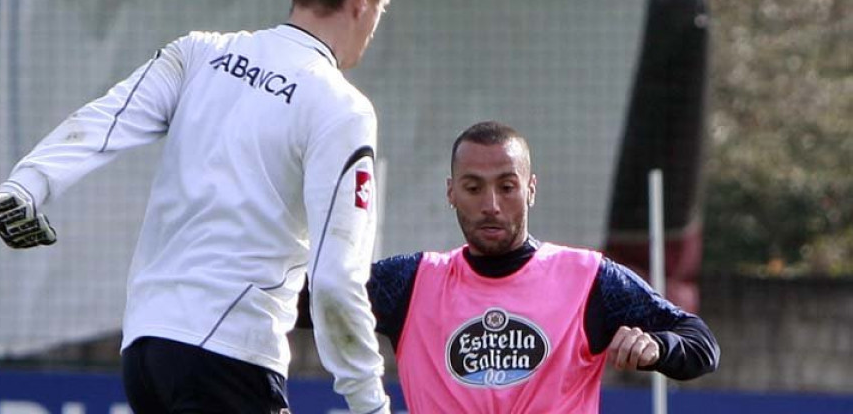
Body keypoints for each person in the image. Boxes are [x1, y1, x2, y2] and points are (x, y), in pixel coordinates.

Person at [0, 0, 394, 412]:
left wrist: (28, 182)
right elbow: (334, 278)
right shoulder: (340, 107)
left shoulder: (200, 53)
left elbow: (106, 120)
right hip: (229, 358)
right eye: (381, 12)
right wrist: (369, 401)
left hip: (146, 349)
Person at [299, 120, 719, 413]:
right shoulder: (411, 282)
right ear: (451, 192)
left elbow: (701, 344)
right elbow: (299, 299)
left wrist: (659, 347)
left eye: (507, 186)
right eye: (473, 187)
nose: (491, 205)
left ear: (530, 189)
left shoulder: (588, 278)